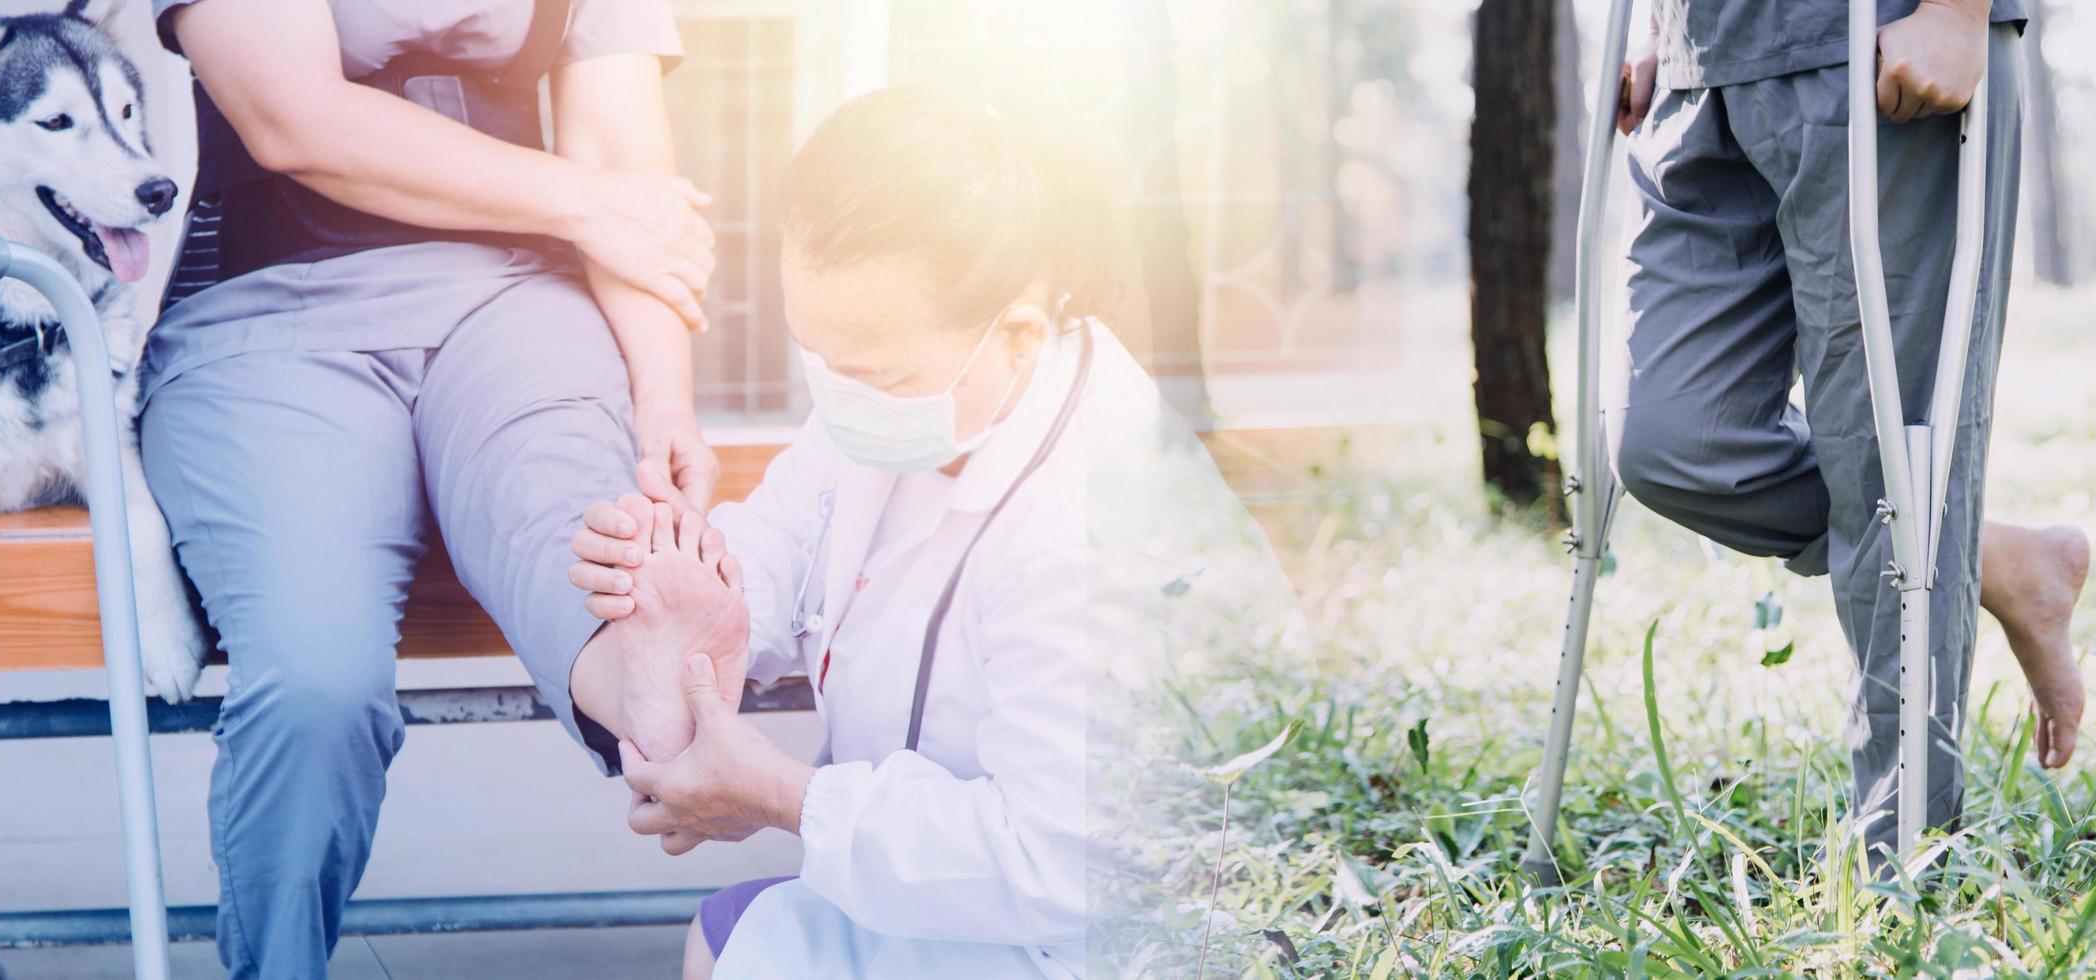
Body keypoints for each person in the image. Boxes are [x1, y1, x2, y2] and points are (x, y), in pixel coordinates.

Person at [561, 87, 1289, 979]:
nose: (838, 395)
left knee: (740, 950)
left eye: (871, 370)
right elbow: (787, 532)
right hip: (954, 892)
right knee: (730, 941)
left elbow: (1060, 867)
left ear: (1018, 334)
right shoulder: (911, 387)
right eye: (815, 356)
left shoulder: (1098, 532)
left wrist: (785, 797)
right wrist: (695, 590)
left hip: (1118, 934)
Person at [141, 0, 720, 972]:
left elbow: (630, 176)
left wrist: (664, 398)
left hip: (518, 301)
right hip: (270, 314)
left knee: (580, 548)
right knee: (315, 684)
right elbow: (293, 119)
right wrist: (583, 201)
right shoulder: (566, 198)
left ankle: (665, 701)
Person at [1604, 0, 2090, 861]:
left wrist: (1952, 9)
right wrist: (1653, 28)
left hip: (1879, 41)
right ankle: (1992, 557)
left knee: (1895, 453)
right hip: (1702, 58)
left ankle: (1900, 868)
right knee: (1667, 439)